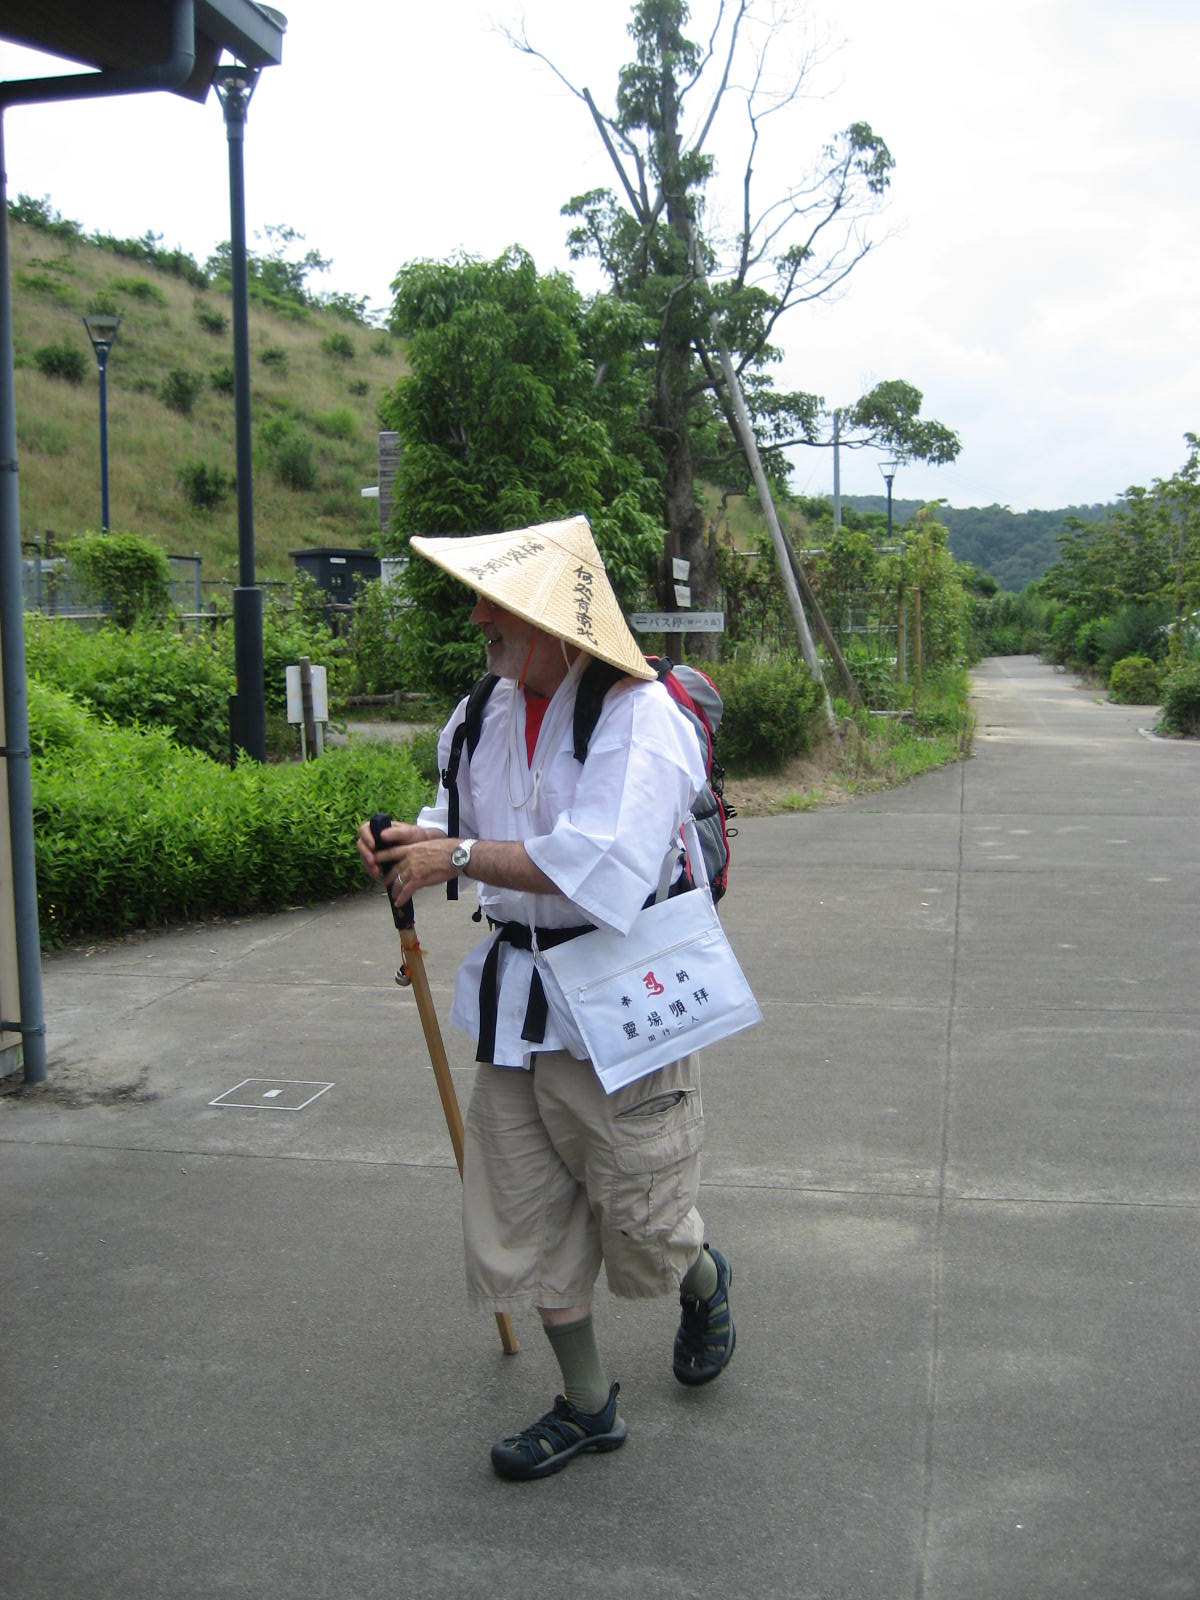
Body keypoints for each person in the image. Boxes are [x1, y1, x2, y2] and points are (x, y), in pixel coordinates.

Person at [357, 514, 735, 1481]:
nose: (478, 619)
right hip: (518, 1006)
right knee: (526, 1212)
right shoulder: (480, 711)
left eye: (498, 605)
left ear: (555, 624)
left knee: (643, 1216)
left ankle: (702, 1276)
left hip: (621, 996)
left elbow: (600, 870)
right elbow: (462, 819)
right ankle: (588, 1403)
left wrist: (458, 855)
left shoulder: (639, 718)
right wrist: (414, 841)